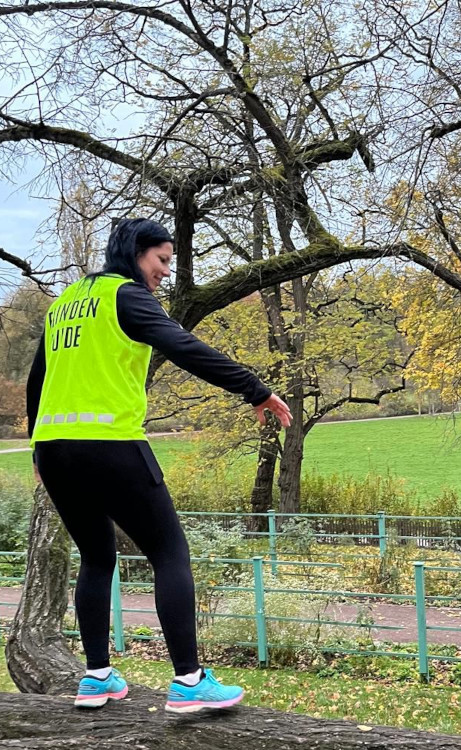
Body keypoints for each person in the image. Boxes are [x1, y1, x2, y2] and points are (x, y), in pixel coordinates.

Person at [26, 218, 291, 714]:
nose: (165, 272)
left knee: (97, 557)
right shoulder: (126, 296)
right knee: (170, 554)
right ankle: (189, 682)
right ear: (135, 253)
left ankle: (96, 677)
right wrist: (255, 389)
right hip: (110, 444)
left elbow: (37, 378)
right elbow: (183, 345)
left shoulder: (64, 305)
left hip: (56, 450)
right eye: (162, 260)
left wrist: (36, 447)